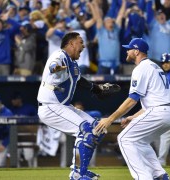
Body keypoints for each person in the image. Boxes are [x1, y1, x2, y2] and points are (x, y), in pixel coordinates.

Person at [37, 32, 119, 179]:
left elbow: (80, 80)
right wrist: (56, 68)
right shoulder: (60, 55)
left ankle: (79, 171)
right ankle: (78, 174)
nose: (84, 45)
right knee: (85, 130)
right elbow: (53, 65)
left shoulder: (73, 63)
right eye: (81, 42)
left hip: (61, 106)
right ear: (71, 44)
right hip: (50, 106)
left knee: (97, 128)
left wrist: (96, 88)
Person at [94, 38, 170, 180]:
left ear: (137, 51)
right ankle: (159, 174)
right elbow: (154, 101)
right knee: (141, 141)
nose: (127, 51)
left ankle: (143, 177)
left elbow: (132, 100)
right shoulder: (155, 66)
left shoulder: (141, 68)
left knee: (124, 139)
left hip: (160, 111)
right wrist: (134, 117)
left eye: (129, 48)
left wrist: (110, 119)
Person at [10, 92, 38, 167]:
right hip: (16, 138)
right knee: (15, 157)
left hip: (28, 137)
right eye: (12, 99)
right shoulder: (11, 111)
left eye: (14, 99)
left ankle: (33, 172)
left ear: (19, 99)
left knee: (28, 157)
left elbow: (38, 122)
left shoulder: (29, 108)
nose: (12, 101)